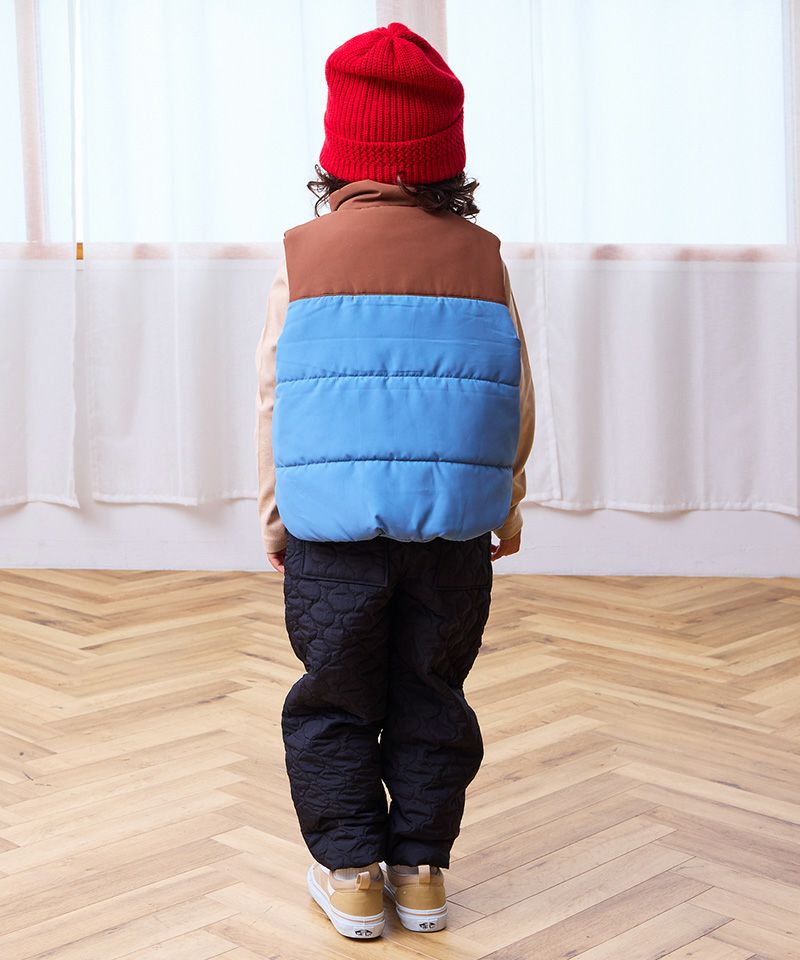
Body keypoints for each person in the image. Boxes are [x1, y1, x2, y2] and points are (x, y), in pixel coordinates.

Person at [255, 21, 535, 941]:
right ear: (448, 155)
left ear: (338, 151)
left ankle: (352, 876)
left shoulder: (303, 256)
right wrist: (508, 504)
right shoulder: (482, 256)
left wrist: (275, 517)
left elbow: (275, 397)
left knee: (334, 699)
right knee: (431, 693)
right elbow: (513, 390)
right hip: (452, 536)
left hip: (331, 537)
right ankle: (421, 873)